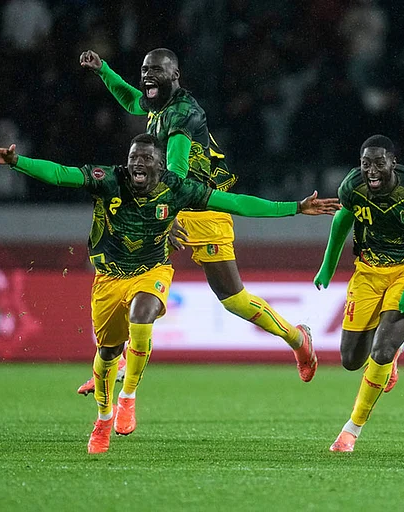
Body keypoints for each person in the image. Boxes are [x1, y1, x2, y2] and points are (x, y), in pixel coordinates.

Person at [0, 134, 340, 454]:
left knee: (145, 314)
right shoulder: (109, 179)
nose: (138, 162)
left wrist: (295, 208)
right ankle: (103, 419)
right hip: (109, 277)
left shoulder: (178, 168)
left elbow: (237, 203)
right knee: (106, 353)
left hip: (152, 270)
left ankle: (128, 396)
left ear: (161, 165)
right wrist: (16, 162)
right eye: (133, 157)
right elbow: (61, 174)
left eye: (146, 158)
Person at [74, 48, 320, 396]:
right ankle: (113, 361)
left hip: (201, 207)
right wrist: (104, 70)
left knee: (233, 299)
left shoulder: (183, 114)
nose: (147, 76)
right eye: (144, 70)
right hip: (171, 203)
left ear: (175, 75)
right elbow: (131, 102)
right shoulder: (157, 104)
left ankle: (297, 338)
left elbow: (175, 174)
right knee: (133, 271)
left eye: (155, 70)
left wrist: (167, 214)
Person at [313, 135, 404, 453]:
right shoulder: (352, 187)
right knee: (350, 360)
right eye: (365, 163)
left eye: (378, 163)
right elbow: (343, 219)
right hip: (368, 271)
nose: (371, 170)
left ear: (393, 163)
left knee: (382, 350)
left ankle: (350, 431)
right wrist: (327, 266)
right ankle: (390, 353)